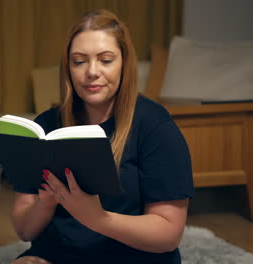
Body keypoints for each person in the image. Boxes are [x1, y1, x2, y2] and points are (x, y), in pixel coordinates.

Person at [10, 10, 195, 264]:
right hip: (59, 255)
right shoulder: (46, 125)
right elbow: (24, 230)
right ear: (68, 67)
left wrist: (95, 217)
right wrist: (46, 203)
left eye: (106, 60)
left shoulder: (156, 127)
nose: (92, 72)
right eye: (79, 61)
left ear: (124, 64)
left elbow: (168, 235)